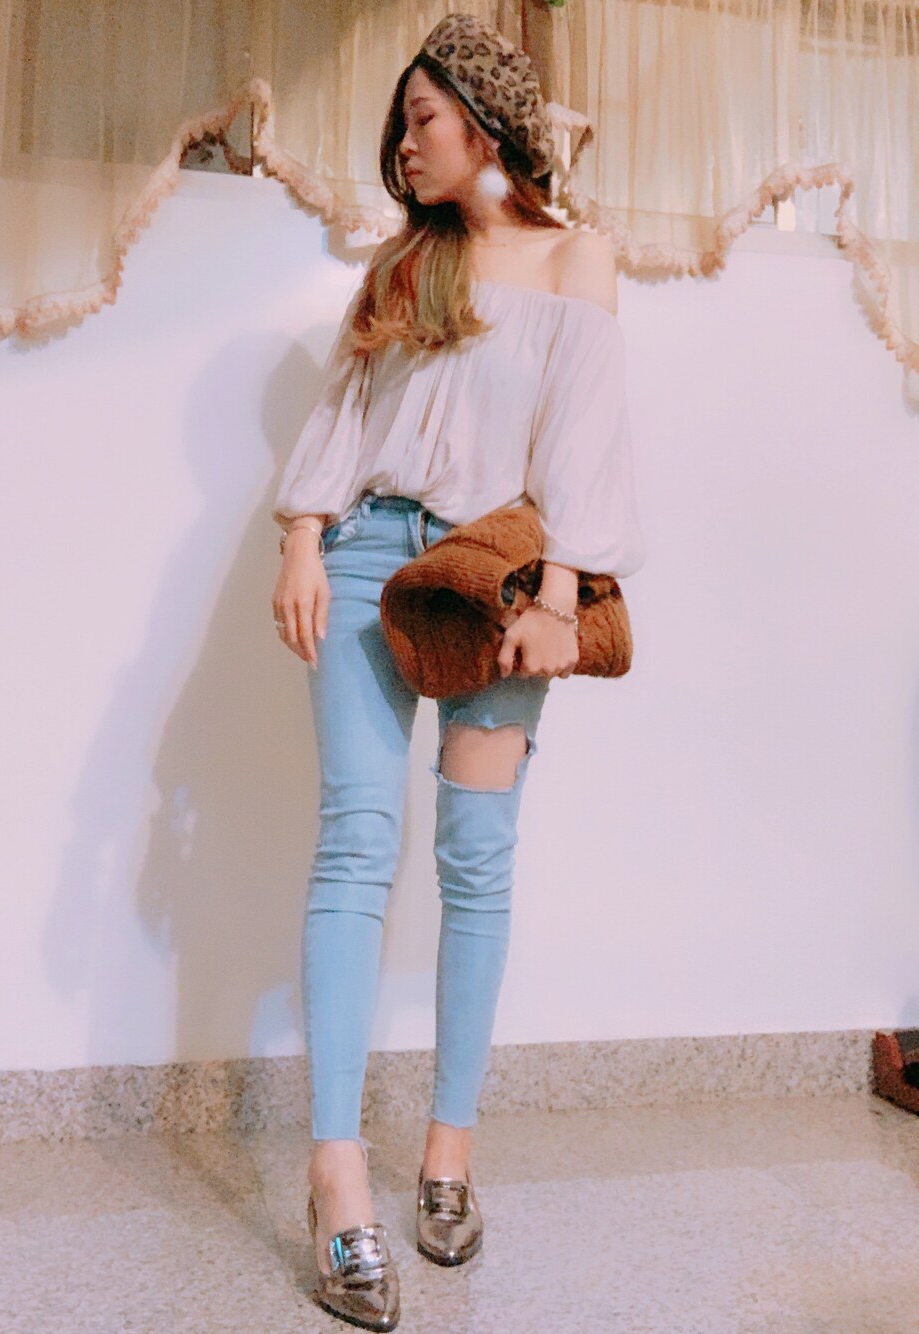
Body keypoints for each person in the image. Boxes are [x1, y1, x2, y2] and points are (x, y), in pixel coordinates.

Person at [269, 13, 645, 1331]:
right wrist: (303, 538)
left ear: (486, 125)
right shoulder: (404, 263)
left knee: (476, 858)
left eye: (420, 118)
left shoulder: (575, 256)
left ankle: (447, 1151)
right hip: (371, 559)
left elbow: (585, 433)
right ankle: (335, 1172)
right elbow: (342, 414)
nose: (403, 145)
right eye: (400, 125)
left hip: (495, 578)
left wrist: (561, 594)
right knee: (355, 843)